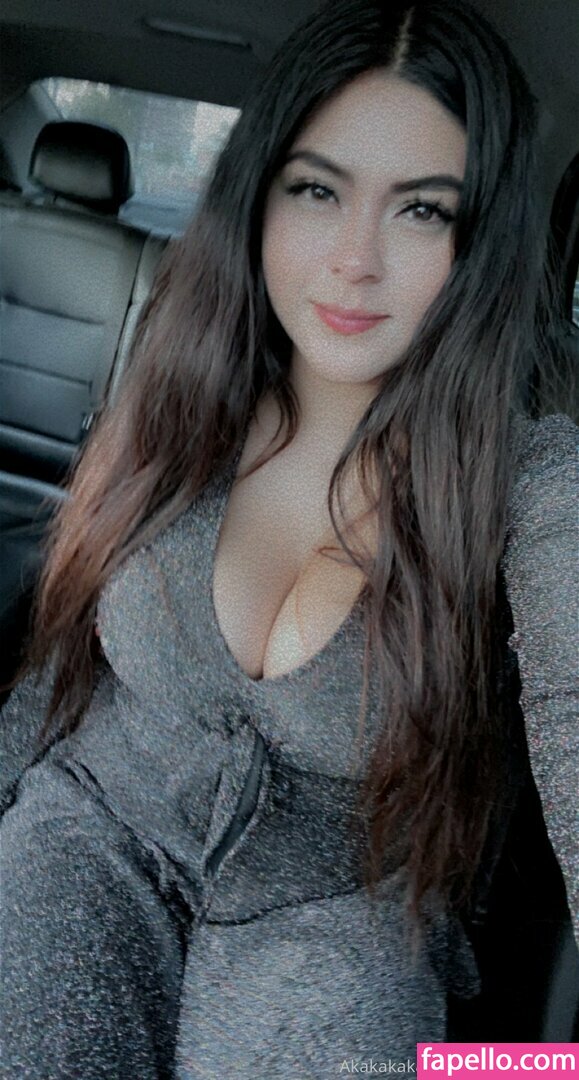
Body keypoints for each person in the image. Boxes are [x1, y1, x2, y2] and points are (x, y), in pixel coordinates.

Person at [0, 0, 577, 1074]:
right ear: (259, 194)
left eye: (422, 210)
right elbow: (63, 657)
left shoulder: (528, 481)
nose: (354, 260)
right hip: (86, 834)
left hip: (338, 921)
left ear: (480, 239)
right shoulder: (184, 385)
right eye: (318, 189)